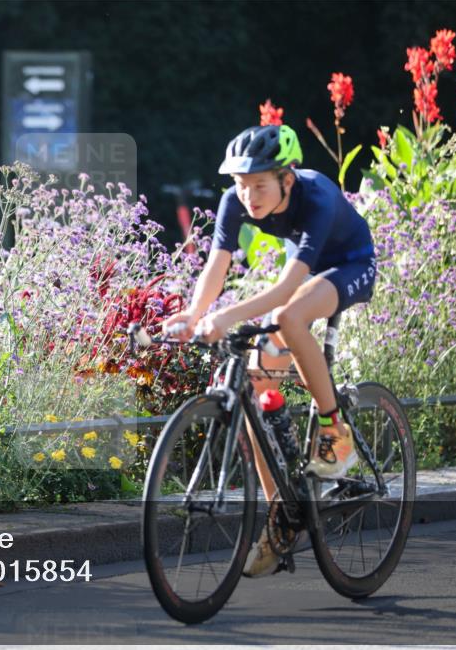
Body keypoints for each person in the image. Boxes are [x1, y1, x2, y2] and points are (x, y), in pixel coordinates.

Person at [161, 124, 377, 577]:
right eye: (242, 185)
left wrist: (224, 317)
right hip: (307, 273)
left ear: (287, 179)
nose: (249, 196)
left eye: (260, 185)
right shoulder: (233, 202)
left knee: (291, 319)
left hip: (349, 264)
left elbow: (286, 290)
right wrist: (193, 313)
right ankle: (283, 515)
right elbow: (216, 267)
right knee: (258, 376)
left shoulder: (315, 196)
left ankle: (334, 432)